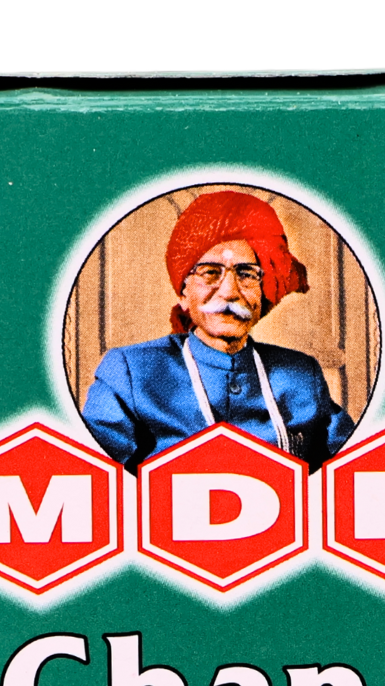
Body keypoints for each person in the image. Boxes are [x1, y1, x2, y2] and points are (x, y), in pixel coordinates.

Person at [81, 191, 354, 474]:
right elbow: (93, 477)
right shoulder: (130, 373)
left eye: (246, 274)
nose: (229, 292)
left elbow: (352, 470)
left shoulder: (302, 376)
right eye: (210, 272)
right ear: (183, 294)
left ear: (262, 291)